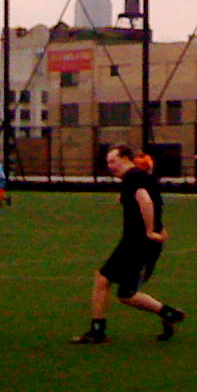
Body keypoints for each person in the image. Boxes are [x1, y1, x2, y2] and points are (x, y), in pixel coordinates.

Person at [71, 146, 186, 344]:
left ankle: (99, 331)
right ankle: (167, 314)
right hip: (135, 241)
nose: (110, 166)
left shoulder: (133, 177)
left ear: (126, 158)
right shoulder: (140, 177)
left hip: (139, 243)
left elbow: (146, 202)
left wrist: (150, 231)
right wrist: (159, 227)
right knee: (112, 285)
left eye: (113, 161)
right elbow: (152, 203)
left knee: (120, 290)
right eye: (107, 162)